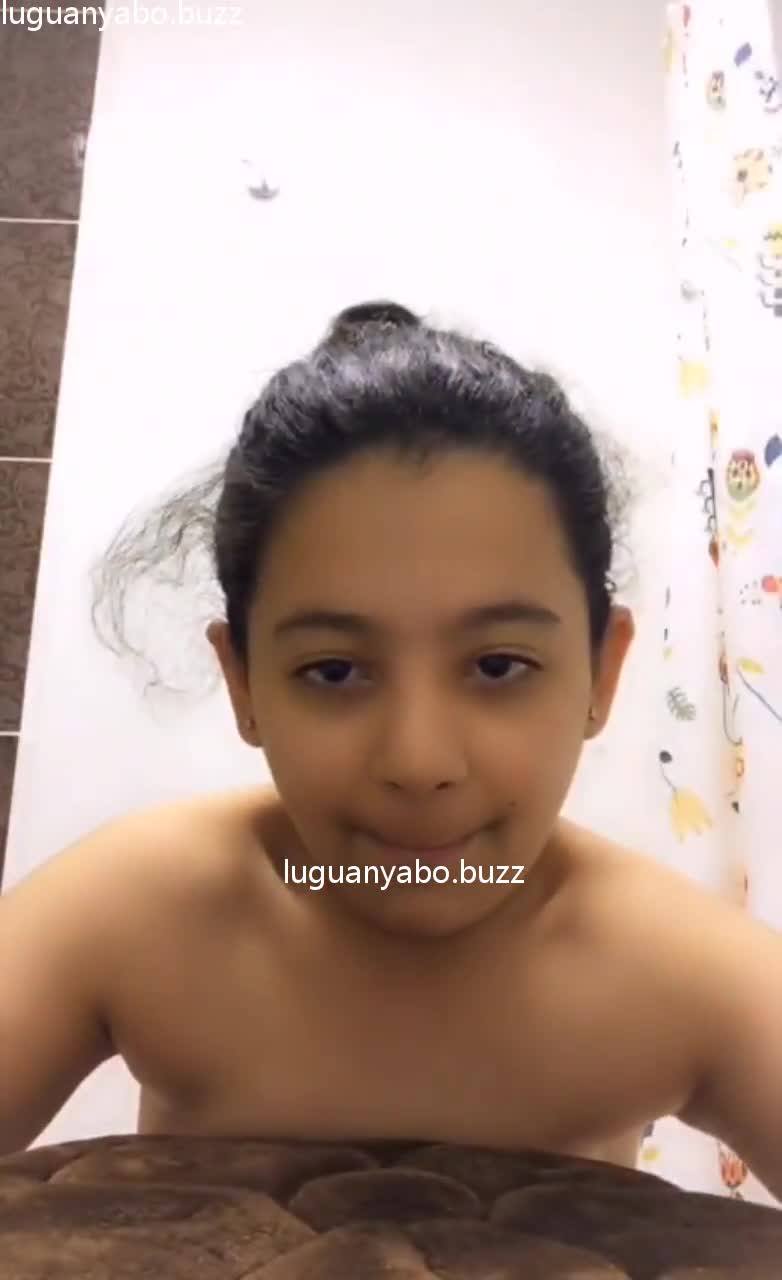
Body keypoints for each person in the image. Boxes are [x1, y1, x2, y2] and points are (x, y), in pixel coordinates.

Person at [1, 302, 780, 1198]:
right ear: (244, 684)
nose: (418, 760)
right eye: (335, 672)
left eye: (498, 666)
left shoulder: (681, 977)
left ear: (601, 674)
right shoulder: (136, 914)